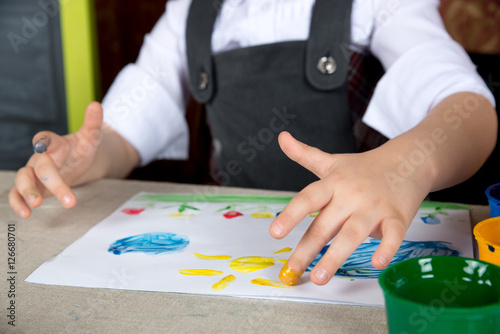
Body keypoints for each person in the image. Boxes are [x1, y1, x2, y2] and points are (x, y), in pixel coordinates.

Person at [9, 0, 497, 286]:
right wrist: (89, 156)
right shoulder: (189, 11)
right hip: (234, 248)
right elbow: (126, 127)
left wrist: (401, 168)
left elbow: (468, 108)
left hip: (363, 249)